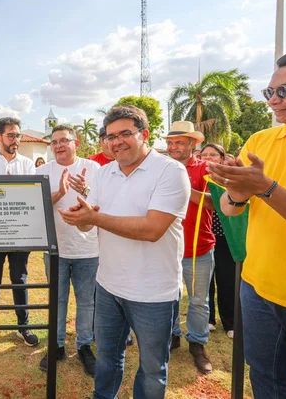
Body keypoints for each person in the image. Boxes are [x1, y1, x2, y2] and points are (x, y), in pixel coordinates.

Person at [59, 105, 190, 399]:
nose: (116, 142)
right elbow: (90, 224)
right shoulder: (104, 174)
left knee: (153, 368)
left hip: (153, 292)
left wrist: (93, 218)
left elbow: (152, 230)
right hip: (108, 285)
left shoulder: (170, 171)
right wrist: (82, 218)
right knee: (107, 358)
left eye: (125, 134)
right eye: (110, 136)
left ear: (144, 134)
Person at [208, 47, 286, 398]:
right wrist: (236, 191)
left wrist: (264, 187)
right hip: (257, 287)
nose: (273, 101)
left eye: (284, 91)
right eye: (269, 92)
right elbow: (230, 208)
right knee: (266, 379)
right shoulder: (260, 141)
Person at [36, 124, 100, 376]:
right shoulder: (42, 171)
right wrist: (60, 192)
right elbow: (34, 206)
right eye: (55, 142)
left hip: (88, 248)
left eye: (64, 140)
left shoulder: (94, 168)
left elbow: (102, 203)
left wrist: (83, 190)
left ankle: (84, 346)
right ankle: (57, 344)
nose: (59, 145)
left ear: (76, 143)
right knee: (57, 299)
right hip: (55, 248)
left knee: (86, 301)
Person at [0, 117, 40, 353]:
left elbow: (32, 196)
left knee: (19, 279)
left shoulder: (27, 164)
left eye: (19, 135)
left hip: (20, 233)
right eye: (11, 135)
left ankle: (24, 326)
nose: (16, 140)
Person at [164, 121, 216, 375]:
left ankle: (197, 344)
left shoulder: (206, 168)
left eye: (179, 143)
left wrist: (184, 186)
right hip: (165, 247)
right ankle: (173, 336)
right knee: (167, 297)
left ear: (192, 144)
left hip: (199, 247)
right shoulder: (161, 168)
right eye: (170, 143)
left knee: (198, 301)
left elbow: (213, 204)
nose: (173, 147)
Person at [200, 143, 236, 339]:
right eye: (204, 154)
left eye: (213, 154)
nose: (208, 157)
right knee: (206, 280)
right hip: (204, 236)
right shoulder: (198, 178)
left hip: (225, 237)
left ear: (222, 158)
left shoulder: (229, 180)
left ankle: (230, 322)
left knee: (227, 279)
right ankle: (209, 319)